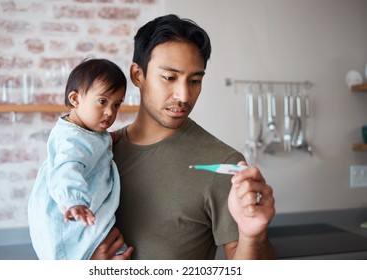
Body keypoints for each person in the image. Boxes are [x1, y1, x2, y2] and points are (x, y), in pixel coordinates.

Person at [90, 14, 276, 260]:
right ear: (137, 75)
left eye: (195, 80)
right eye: (169, 77)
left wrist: (254, 236)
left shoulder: (224, 165)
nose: (184, 95)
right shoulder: (97, 152)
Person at [28, 58, 128, 259]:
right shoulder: (72, 140)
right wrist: (74, 201)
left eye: (116, 104)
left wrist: (115, 138)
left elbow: (99, 143)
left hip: (80, 210)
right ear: (75, 99)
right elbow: (67, 169)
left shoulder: (88, 131)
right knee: (114, 252)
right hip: (71, 210)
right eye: (102, 101)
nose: (110, 112)